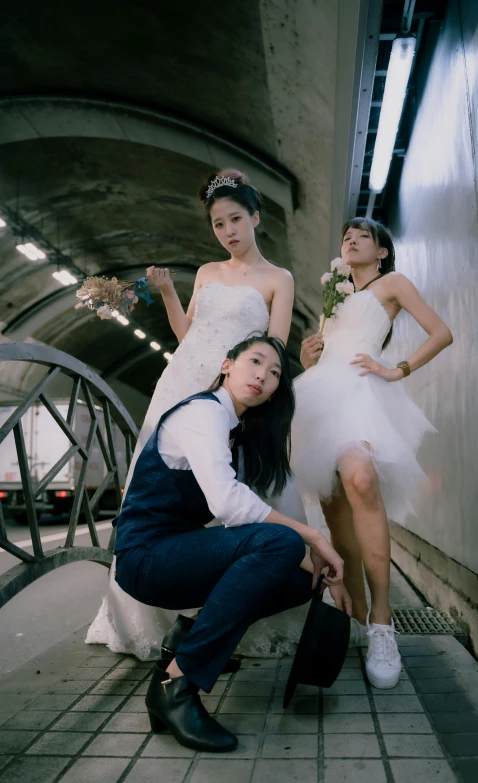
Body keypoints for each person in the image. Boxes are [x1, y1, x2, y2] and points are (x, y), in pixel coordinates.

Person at [86, 169, 302, 660]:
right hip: (184, 383)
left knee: (234, 488)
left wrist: (252, 387)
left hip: (235, 389)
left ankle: (221, 616)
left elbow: (275, 348)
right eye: (218, 223)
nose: (227, 231)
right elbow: (189, 336)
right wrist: (166, 292)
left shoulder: (279, 279)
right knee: (168, 493)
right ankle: (162, 618)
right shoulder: (206, 272)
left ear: (256, 218)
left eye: (235, 219)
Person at [113, 335, 350, 752]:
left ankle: (182, 646)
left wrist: (324, 570)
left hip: (180, 553)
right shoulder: (202, 414)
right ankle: (178, 685)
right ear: (227, 365)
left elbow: (274, 506)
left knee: (300, 581)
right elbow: (229, 504)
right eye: (254, 362)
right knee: (282, 545)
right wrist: (312, 537)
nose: (262, 375)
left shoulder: (239, 435)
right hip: (145, 558)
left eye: (275, 372)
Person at [293, 217, 453, 689]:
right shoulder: (335, 292)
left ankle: (383, 623)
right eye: (347, 235)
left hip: (363, 390)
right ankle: (358, 619)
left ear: (381, 251)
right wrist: (309, 358)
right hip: (321, 394)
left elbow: (440, 333)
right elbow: (328, 351)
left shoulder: (394, 283)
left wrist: (395, 370)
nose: (351, 239)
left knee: (360, 480)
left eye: (363, 236)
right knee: (334, 507)